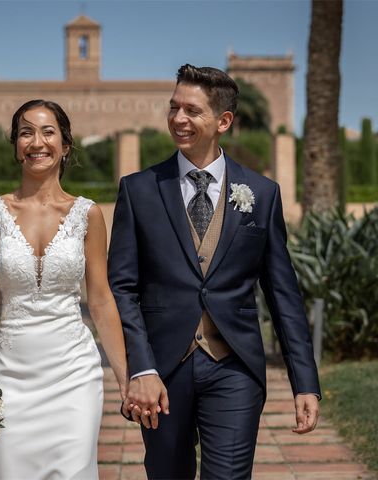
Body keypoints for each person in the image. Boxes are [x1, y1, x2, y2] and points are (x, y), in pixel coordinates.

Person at [108, 64, 321, 480]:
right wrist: (142, 369)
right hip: (163, 372)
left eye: (192, 110)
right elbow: (123, 288)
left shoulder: (262, 194)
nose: (178, 119)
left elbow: (283, 295)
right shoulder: (138, 191)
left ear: (223, 121)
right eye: (174, 108)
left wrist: (305, 382)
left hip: (235, 367)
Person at [0, 99, 128, 479]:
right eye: (26, 132)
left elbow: (100, 299)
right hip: (11, 376)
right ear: (16, 146)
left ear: (66, 145)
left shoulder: (88, 215)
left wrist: (125, 377)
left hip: (73, 373)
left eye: (47, 131)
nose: (37, 142)